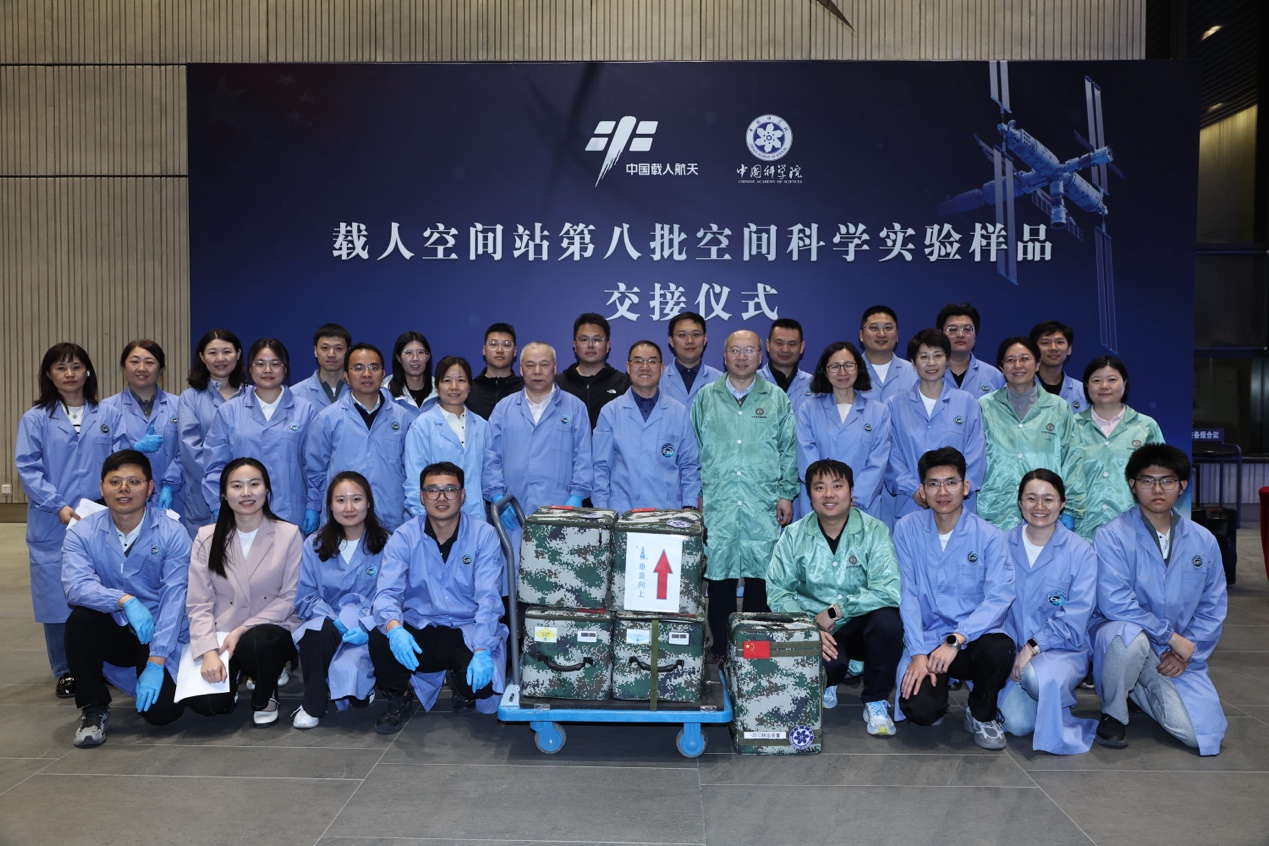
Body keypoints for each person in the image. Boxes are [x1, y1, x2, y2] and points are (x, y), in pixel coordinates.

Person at [1091, 444, 1228, 755]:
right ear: (1132, 485)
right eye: (1147, 480)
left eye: (1167, 481)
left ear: (1182, 486)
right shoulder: (1112, 535)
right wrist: (1170, 637)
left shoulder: (1203, 541)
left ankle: (1136, 689)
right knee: (1128, 636)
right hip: (1126, 640)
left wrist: (1184, 651)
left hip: (1174, 653)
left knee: (1201, 736)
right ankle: (1114, 713)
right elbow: (1115, 601)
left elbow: (1212, 606)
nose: (1157, 489)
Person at [61, 450, 192, 746]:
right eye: (115, 481)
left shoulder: (173, 532)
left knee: (163, 714)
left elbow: (176, 598)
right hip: (113, 629)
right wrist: (123, 601)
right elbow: (76, 585)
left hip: (158, 632)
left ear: (150, 487)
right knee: (80, 620)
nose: (124, 489)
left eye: (134, 481)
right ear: (101, 487)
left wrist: (156, 661)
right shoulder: (82, 532)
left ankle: (149, 670)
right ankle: (93, 706)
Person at [16, 343, 124, 698]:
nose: (69, 374)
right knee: (55, 597)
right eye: (61, 368)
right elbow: (28, 468)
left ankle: (101, 664)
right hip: (53, 520)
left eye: (76, 367)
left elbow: (119, 461)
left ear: (87, 372)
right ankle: (65, 669)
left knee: (100, 588)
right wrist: (56, 504)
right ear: (49, 374)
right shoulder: (35, 418)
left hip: (100, 517)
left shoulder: (107, 414)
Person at [767, 459, 903, 736]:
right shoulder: (793, 535)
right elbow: (779, 590)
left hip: (861, 623)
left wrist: (836, 610)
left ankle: (876, 699)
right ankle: (829, 681)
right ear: (810, 495)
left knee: (889, 622)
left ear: (851, 492)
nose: (828, 494)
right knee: (830, 667)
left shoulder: (874, 531)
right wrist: (808, 628)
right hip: (816, 628)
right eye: (819, 487)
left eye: (837, 486)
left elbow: (888, 589)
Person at [370, 462, 508, 732]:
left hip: (466, 630)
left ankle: (459, 680)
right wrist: (394, 629)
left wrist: (482, 650)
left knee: (480, 689)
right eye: (432, 490)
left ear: (463, 494)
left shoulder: (484, 535)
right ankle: (399, 694)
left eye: (450, 490)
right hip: (422, 629)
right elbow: (387, 593)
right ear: (421, 496)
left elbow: (489, 600)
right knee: (380, 637)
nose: (441, 497)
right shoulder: (403, 537)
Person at [892, 447, 1014, 749]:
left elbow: (999, 597)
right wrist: (918, 653)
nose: (942, 491)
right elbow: (907, 593)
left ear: (966, 486)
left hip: (971, 639)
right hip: (926, 640)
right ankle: (937, 694)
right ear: (922, 490)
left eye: (951, 482)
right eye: (933, 484)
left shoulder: (989, 536)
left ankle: (981, 713)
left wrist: (956, 639)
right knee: (920, 711)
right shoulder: (907, 529)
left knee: (1000, 647)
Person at [691, 329, 798, 661]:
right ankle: (722, 651)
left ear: (760, 356)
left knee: (760, 579)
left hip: (762, 502)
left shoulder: (776, 398)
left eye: (749, 350)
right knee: (719, 580)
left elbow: (788, 450)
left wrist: (786, 493)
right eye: (735, 350)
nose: (741, 357)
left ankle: (752, 653)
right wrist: (697, 494)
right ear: (724, 356)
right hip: (718, 503)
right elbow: (693, 450)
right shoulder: (706, 398)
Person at [186, 458, 304, 726]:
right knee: (208, 706)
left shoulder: (289, 534)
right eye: (237, 486)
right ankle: (238, 676)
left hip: (271, 630)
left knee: (258, 641)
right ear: (223, 494)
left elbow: (291, 597)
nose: (246, 493)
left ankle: (266, 687)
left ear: (267, 490)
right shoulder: (207, 537)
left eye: (254, 484)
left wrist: (243, 629)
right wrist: (208, 652)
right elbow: (198, 603)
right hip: (222, 635)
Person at [998, 469, 1098, 755]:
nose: (1039, 506)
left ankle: (1054, 700)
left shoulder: (1081, 552)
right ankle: (1041, 700)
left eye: (1048, 499)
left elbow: (1076, 616)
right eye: (1031, 498)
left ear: (1062, 503)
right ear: (1019, 502)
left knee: (1035, 679)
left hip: (1061, 650)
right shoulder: (1001, 545)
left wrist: (1033, 645)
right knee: (1017, 725)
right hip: (1012, 651)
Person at [291, 471, 388, 729]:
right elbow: (306, 597)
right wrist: (334, 621)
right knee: (315, 632)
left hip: (368, 629)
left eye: (356, 499)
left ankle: (360, 685)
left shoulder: (388, 544)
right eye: (340, 500)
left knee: (356, 695)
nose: (349, 507)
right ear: (330, 506)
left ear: (369, 503)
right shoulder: (314, 544)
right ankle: (313, 703)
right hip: (329, 625)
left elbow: (393, 595)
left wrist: (367, 625)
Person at [203, 338, 321, 532]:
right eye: (260, 364)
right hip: (241, 510)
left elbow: (315, 466)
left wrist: (313, 506)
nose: (267, 370)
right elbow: (215, 465)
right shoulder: (229, 412)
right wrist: (217, 504)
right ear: (250, 369)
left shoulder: (305, 411)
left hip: (290, 511)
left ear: (285, 369)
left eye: (275, 364)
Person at [483, 341, 593, 536]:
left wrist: (576, 497)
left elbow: (583, 458)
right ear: (521, 369)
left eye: (544, 364)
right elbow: (491, 457)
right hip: (512, 512)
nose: (537, 371)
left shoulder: (575, 408)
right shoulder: (503, 409)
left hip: (560, 514)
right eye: (530, 365)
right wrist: (498, 498)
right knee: (512, 556)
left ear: (555, 368)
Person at [304, 343, 414, 531]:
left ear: (383, 374)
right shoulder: (328, 418)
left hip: (392, 518)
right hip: (344, 519)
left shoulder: (403, 418)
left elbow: (411, 472)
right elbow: (315, 471)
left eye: (373, 367)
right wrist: (313, 506)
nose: (366, 374)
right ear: (346, 376)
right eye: (358, 368)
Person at [977, 336, 1078, 531]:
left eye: (1025, 359)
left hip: (1044, 511)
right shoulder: (984, 407)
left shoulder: (1059, 408)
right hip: (995, 511)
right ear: (1001, 367)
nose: (1018, 365)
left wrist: (1071, 508)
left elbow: (1072, 460)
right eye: (1010, 360)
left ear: (1038, 364)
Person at [886, 329, 986, 522]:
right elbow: (891, 457)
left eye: (938, 355)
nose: (931, 363)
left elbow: (976, 456)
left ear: (947, 360)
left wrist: (950, 490)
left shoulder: (967, 403)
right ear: (913, 362)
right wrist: (915, 490)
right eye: (924, 357)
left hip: (958, 507)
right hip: (912, 505)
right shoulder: (894, 405)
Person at [593, 340, 700, 512]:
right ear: (628, 367)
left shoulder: (679, 412)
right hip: (621, 512)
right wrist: (601, 509)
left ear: (662, 368)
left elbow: (689, 465)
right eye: (638, 361)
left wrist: (689, 505)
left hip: (667, 513)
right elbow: (600, 467)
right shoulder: (610, 412)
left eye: (652, 361)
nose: (645, 367)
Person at [1069, 356, 1164, 541]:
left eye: (1112, 380)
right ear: (1087, 385)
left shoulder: (1145, 427)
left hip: (1134, 529)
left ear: (1124, 383)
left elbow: (1160, 477)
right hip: (1082, 531)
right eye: (1097, 380)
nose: (1104, 386)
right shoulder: (1072, 426)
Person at [795, 341, 890, 520]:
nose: (842, 372)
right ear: (824, 371)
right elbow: (806, 456)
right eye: (834, 366)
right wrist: (826, 492)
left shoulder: (878, 412)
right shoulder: (808, 409)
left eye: (848, 365)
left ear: (859, 368)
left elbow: (878, 461)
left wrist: (854, 496)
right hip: (819, 504)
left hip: (860, 504)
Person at [101, 339, 184, 517]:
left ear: (161, 369)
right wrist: (134, 449)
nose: (141, 368)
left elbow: (187, 452)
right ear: (123, 367)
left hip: (173, 497)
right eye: (134, 361)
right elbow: (100, 455)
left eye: (149, 362)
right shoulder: (106, 409)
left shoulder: (180, 405)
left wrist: (170, 485)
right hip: (125, 496)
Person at [178, 329, 247, 537]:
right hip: (204, 490)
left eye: (226, 351)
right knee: (206, 551)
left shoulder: (253, 395)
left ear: (238, 354)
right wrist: (220, 484)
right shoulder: (190, 398)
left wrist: (240, 482)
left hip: (247, 489)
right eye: (212, 353)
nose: (220, 359)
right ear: (202, 357)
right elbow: (190, 448)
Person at [405, 356, 488, 523]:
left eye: (461, 380)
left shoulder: (483, 426)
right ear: (437, 386)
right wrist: (425, 523)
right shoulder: (422, 426)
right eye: (447, 380)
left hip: (476, 519)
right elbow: (414, 481)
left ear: (470, 386)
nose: (454, 387)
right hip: (436, 519)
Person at [555, 312, 630, 428]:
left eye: (597, 339)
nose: (590, 345)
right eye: (584, 339)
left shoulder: (623, 384)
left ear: (607, 345)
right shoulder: (558, 385)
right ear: (574, 345)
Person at [937, 302, 1004, 397]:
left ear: (975, 334)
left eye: (967, 329)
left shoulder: (994, 376)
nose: (960, 335)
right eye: (953, 330)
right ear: (941, 335)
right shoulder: (928, 372)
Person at [659, 311, 722, 407]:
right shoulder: (658, 379)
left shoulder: (720, 380)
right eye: (682, 335)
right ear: (671, 341)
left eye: (696, 335)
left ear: (704, 339)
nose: (689, 341)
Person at [856, 305, 917, 403]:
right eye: (874, 328)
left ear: (897, 335)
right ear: (861, 335)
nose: (881, 334)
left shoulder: (914, 372)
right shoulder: (848, 373)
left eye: (888, 328)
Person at [466, 322, 523, 420]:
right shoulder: (469, 390)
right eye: (493, 344)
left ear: (514, 351)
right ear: (484, 350)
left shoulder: (525, 390)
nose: (499, 350)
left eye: (506, 344)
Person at [758, 318, 814, 413]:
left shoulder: (814, 385)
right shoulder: (751, 381)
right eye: (779, 343)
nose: (785, 350)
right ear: (768, 345)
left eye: (792, 344)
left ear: (801, 347)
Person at [1029, 320, 1085, 413]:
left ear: (1069, 349)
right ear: (1034, 350)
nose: (1053, 348)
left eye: (1059, 342)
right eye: (1045, 343)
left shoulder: (1083, 391)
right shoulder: (1020, 388)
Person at [291, 323, 351, 409]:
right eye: (325, 348)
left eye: (338, 348)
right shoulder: (294, 394)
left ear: (348, 352)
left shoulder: (361, 391)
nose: (331, 354)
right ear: (315, 351)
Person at [385, 330, 434, 414]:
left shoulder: (440, 390)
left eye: (420, 352)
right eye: (408, 353)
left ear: (428, 356)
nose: (415, 358)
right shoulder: (384, 391)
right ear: (398, 358)